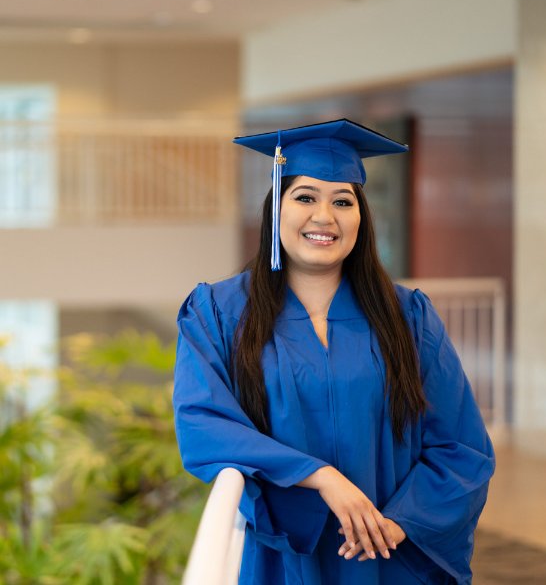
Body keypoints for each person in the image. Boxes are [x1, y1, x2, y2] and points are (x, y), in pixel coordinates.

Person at [173, 118, 495, 585]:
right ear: (275, 209)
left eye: (342, 201)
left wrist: (398, 524)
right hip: (283, 558)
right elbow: (203, 422)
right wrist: (321, 476)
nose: (324, 217)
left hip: (389, 552)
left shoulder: (408, 317)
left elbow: (461, 446)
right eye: (305, 197)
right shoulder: (218, 312)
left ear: (361, 218)